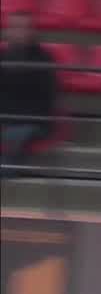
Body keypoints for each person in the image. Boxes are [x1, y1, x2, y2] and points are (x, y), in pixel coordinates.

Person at [0, 10, 58, 179]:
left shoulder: (44, 59)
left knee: (15, 134)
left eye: (23, 27)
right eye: (14, 27)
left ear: (32, 32)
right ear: (7, 32)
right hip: (7, 119)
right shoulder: (2, 57)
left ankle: (6, 172)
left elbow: (45, 100)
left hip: (33, 121)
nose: (18, 32)